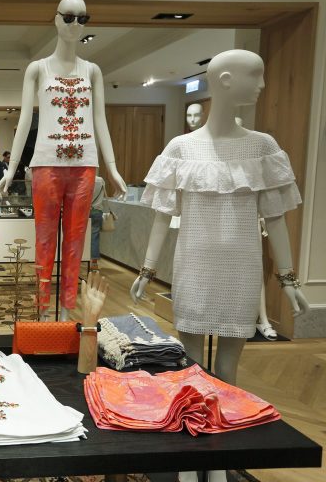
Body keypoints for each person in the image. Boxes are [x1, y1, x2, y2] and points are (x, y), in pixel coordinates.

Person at [130, 50, 309, 482]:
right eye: (256, 76)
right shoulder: (181, 148)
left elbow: (276, 218)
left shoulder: (262, 146)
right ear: (226, 80)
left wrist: (287, 281)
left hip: (240, 269)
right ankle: (192, 457)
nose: (262, 85)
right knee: (190, 366)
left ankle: (222, 457)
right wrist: (147, 271)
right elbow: (160, 215)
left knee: (228, 372)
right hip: (194, 266)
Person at [0, 0, 127, 321]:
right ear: (55, 19)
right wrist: (11, 168)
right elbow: (25, 119)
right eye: (69, 17)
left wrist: (112, 168)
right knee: (44, 238)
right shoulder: (37, 69)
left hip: (84, 162)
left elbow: (100, 120)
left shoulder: (93, 71)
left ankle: (67, 308)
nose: (75, 25)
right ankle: (43, 310)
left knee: (75, 240)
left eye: (82, 18)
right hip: (45, 162)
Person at [88, 176, 106, 272]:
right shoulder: (100, 180)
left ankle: (78, 260)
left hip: (84, 211)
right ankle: (94, 263)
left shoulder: (85, 179)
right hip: (97, 210)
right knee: (94, 236)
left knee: (79, 237)